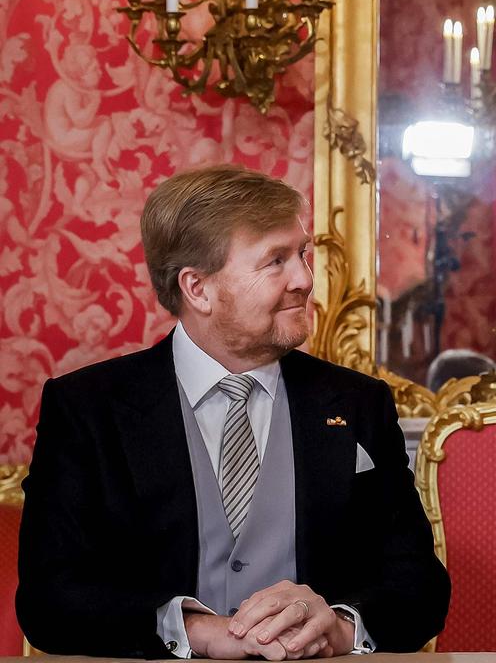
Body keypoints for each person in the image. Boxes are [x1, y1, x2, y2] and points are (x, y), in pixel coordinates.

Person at [17, 165, 451, 659]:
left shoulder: (358, 403)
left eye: (303, 255)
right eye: (275, 261)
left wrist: (341, 627)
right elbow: (49, 600)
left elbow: (419, 584)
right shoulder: (87, 409)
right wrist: (197, 631)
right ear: (197, 288)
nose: (305, 280)